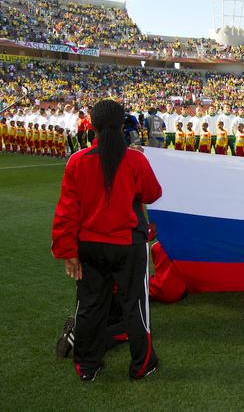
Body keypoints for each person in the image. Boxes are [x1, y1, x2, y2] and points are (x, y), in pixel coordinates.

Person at [51, 99, 162, 381]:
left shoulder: (78, 160)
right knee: (135, 306)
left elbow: (66, 210)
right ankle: (142, 365)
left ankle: (87, 366)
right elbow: (152, 194)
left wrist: (67, 251)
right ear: (122, 123)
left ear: (93, 125)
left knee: (89, 306)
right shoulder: (135, 159)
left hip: (89, 246)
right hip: (127, 245)